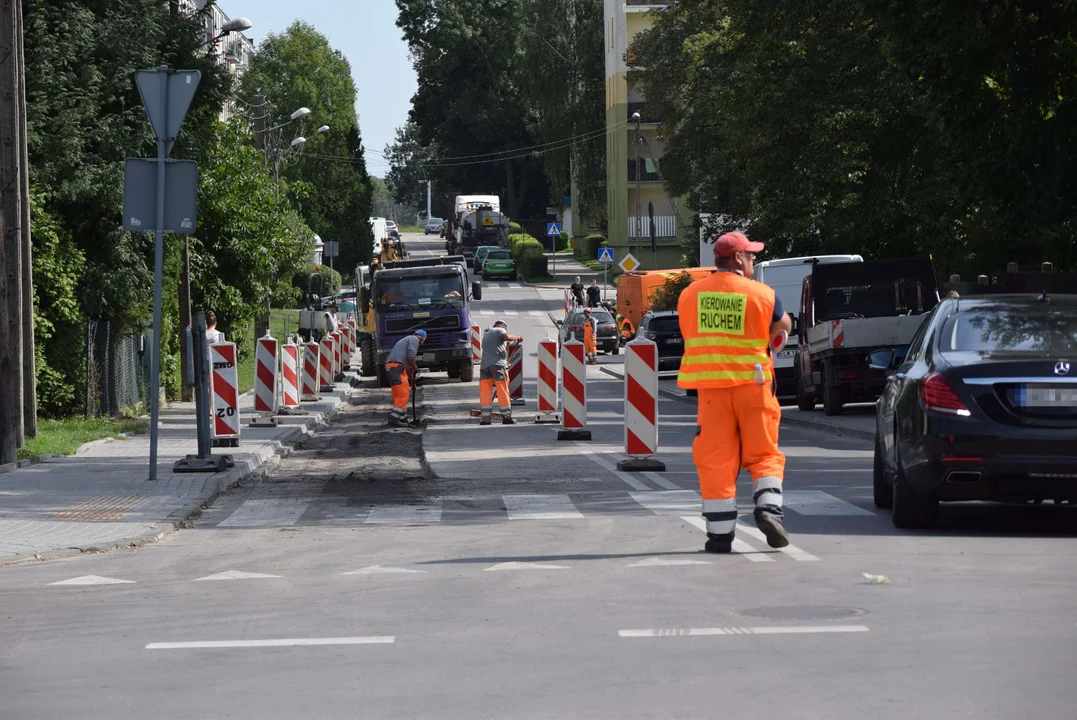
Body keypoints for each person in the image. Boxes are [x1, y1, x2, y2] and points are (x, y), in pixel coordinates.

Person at [677, 231, 793, 554]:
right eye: (751, 254)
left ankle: (719, 537)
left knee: (715, 460)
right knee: (764, 453)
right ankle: (769, 511)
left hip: (711, 392)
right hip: (753, 387)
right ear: (738, 259)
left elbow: (690, 333)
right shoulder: (762, 295)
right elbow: (783, 327)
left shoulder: (690, 295)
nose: (754, 258)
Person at [479, 320, 522, 425]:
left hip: (484, 366)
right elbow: (506, 337)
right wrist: (518, 338)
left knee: (485, 392)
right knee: (502, 390)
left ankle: (485, 419)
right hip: (497, 366)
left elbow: (492, 350)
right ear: (503, 327)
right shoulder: (500, 330)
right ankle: (506, 417)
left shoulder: (487, 334)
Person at [385, 330, 426, 427]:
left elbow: (408, 370)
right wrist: (415, 366)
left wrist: (413, 384)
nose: (422, 343)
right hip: (396, 368)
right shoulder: (414, 339)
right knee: (402, 394)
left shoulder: (406, 342)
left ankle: (403, 418)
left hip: (394, 368)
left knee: (401, 393)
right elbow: (411, 356)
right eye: (423, 341)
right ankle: (393, 419)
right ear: (422, 338)